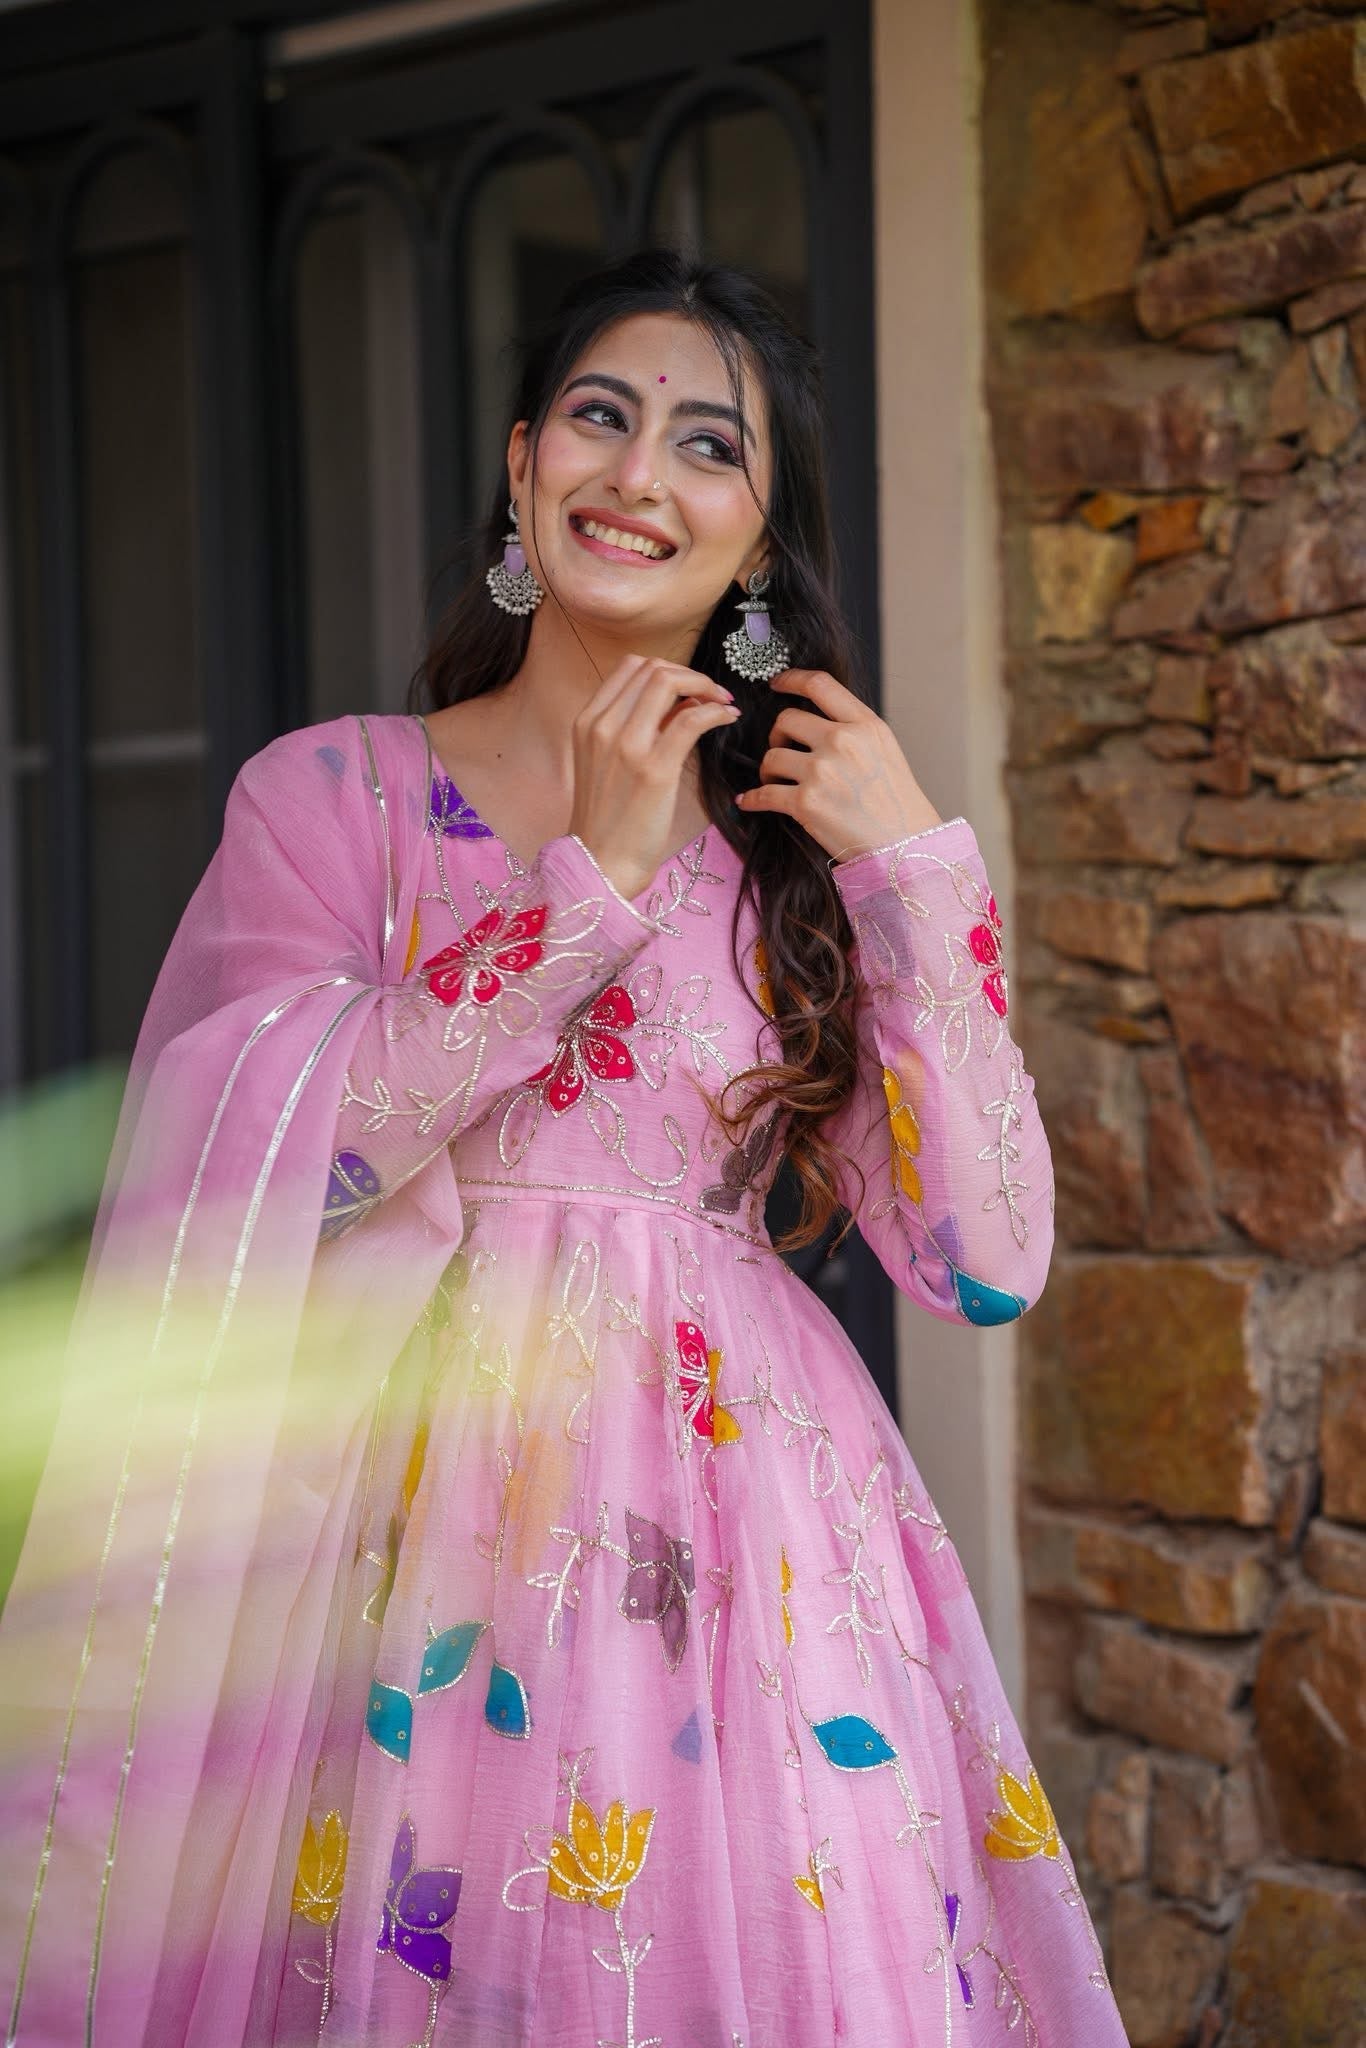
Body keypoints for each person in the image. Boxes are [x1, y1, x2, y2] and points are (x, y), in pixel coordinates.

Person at [0, 248, 1129, 2047]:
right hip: (390, 1540)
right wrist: (583, 886)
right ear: (524, 469)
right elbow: (296, 1158)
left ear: (753, 548)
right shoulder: (339, 795)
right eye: (600, 418)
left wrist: (920, 874)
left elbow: (982, 1266)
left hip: (741, 1556)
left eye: (708, 445)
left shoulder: (792, 867)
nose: (639, 473)